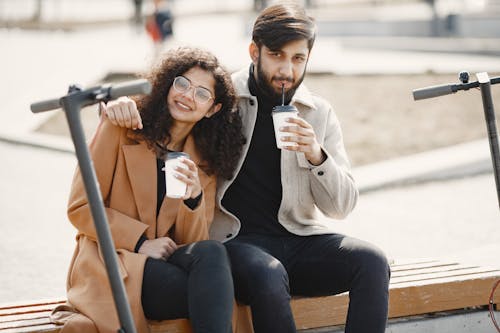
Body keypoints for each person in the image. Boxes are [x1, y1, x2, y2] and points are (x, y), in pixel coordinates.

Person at [106, 4, 391, 333]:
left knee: (372, 262)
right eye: (276, 55)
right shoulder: (222, 101)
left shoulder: (318, 113)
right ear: (254, 51)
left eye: (298, 58)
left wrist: (317, 155)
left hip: (300, 239)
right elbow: (172, 110)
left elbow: (341, 207)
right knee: (268, 273)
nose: (287, 69)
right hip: (235, 244)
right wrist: (124, 105)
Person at [52, 46, 245, 333]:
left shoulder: (203, 163)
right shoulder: (121, 129)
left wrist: (193, 199)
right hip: (113, 263)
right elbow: (80, 208)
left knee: (213, 253)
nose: (187, 96)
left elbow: (192, 241)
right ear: (169, 84)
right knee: (212, 293)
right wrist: (141, 243)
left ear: (212, 110)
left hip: (166, 266)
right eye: (182, 83)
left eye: (202, 94)